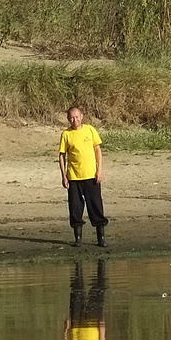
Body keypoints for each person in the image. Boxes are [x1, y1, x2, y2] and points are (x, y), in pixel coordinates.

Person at [59, 106, 108, 247]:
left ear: (82, 116)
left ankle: (101, 238)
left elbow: (97, 150)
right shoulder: (66, 134)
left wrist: (100, 170)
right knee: (75, 208)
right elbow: (62, 156)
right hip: (74, 177)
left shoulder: (90, 130)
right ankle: (78, 238)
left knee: (96, 206)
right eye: (71, 118)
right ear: (68, 119)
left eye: (76, 116)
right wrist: (64, 176)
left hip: (91, 176)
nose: (74, 120)